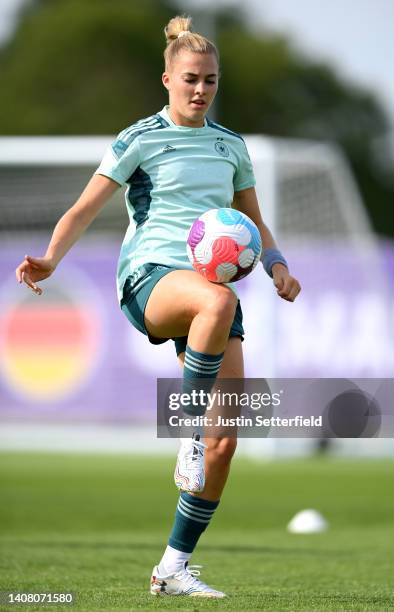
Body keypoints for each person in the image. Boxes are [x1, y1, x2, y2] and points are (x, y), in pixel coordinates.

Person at [15, 15, 301, 599]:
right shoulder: (139, 138)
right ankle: (185, 429)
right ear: (167, 77)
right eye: (191, 78)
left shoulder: (231, 147)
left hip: (210, 298)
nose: (202, 90)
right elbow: (83, 209)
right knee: (217, 304)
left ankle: (172, 567)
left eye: (212, 81)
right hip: (151, 278)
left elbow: (255, 223)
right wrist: (49, 259)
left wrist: (275, 265)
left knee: (225, 443)